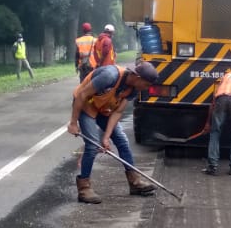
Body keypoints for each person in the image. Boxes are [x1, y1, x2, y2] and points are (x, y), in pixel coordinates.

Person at [67, 61, 161, 204]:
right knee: (92, 146)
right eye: (147, 85)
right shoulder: (109, 76)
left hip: (103, 108)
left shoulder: (134, 89)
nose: (147, 88)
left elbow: (117, 112)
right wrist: (73, 123)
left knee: (122, 141)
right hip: (86, 105)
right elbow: (82, 95)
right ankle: (84, 188)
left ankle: (135, 183)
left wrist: (106, 137)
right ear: (137, 77)